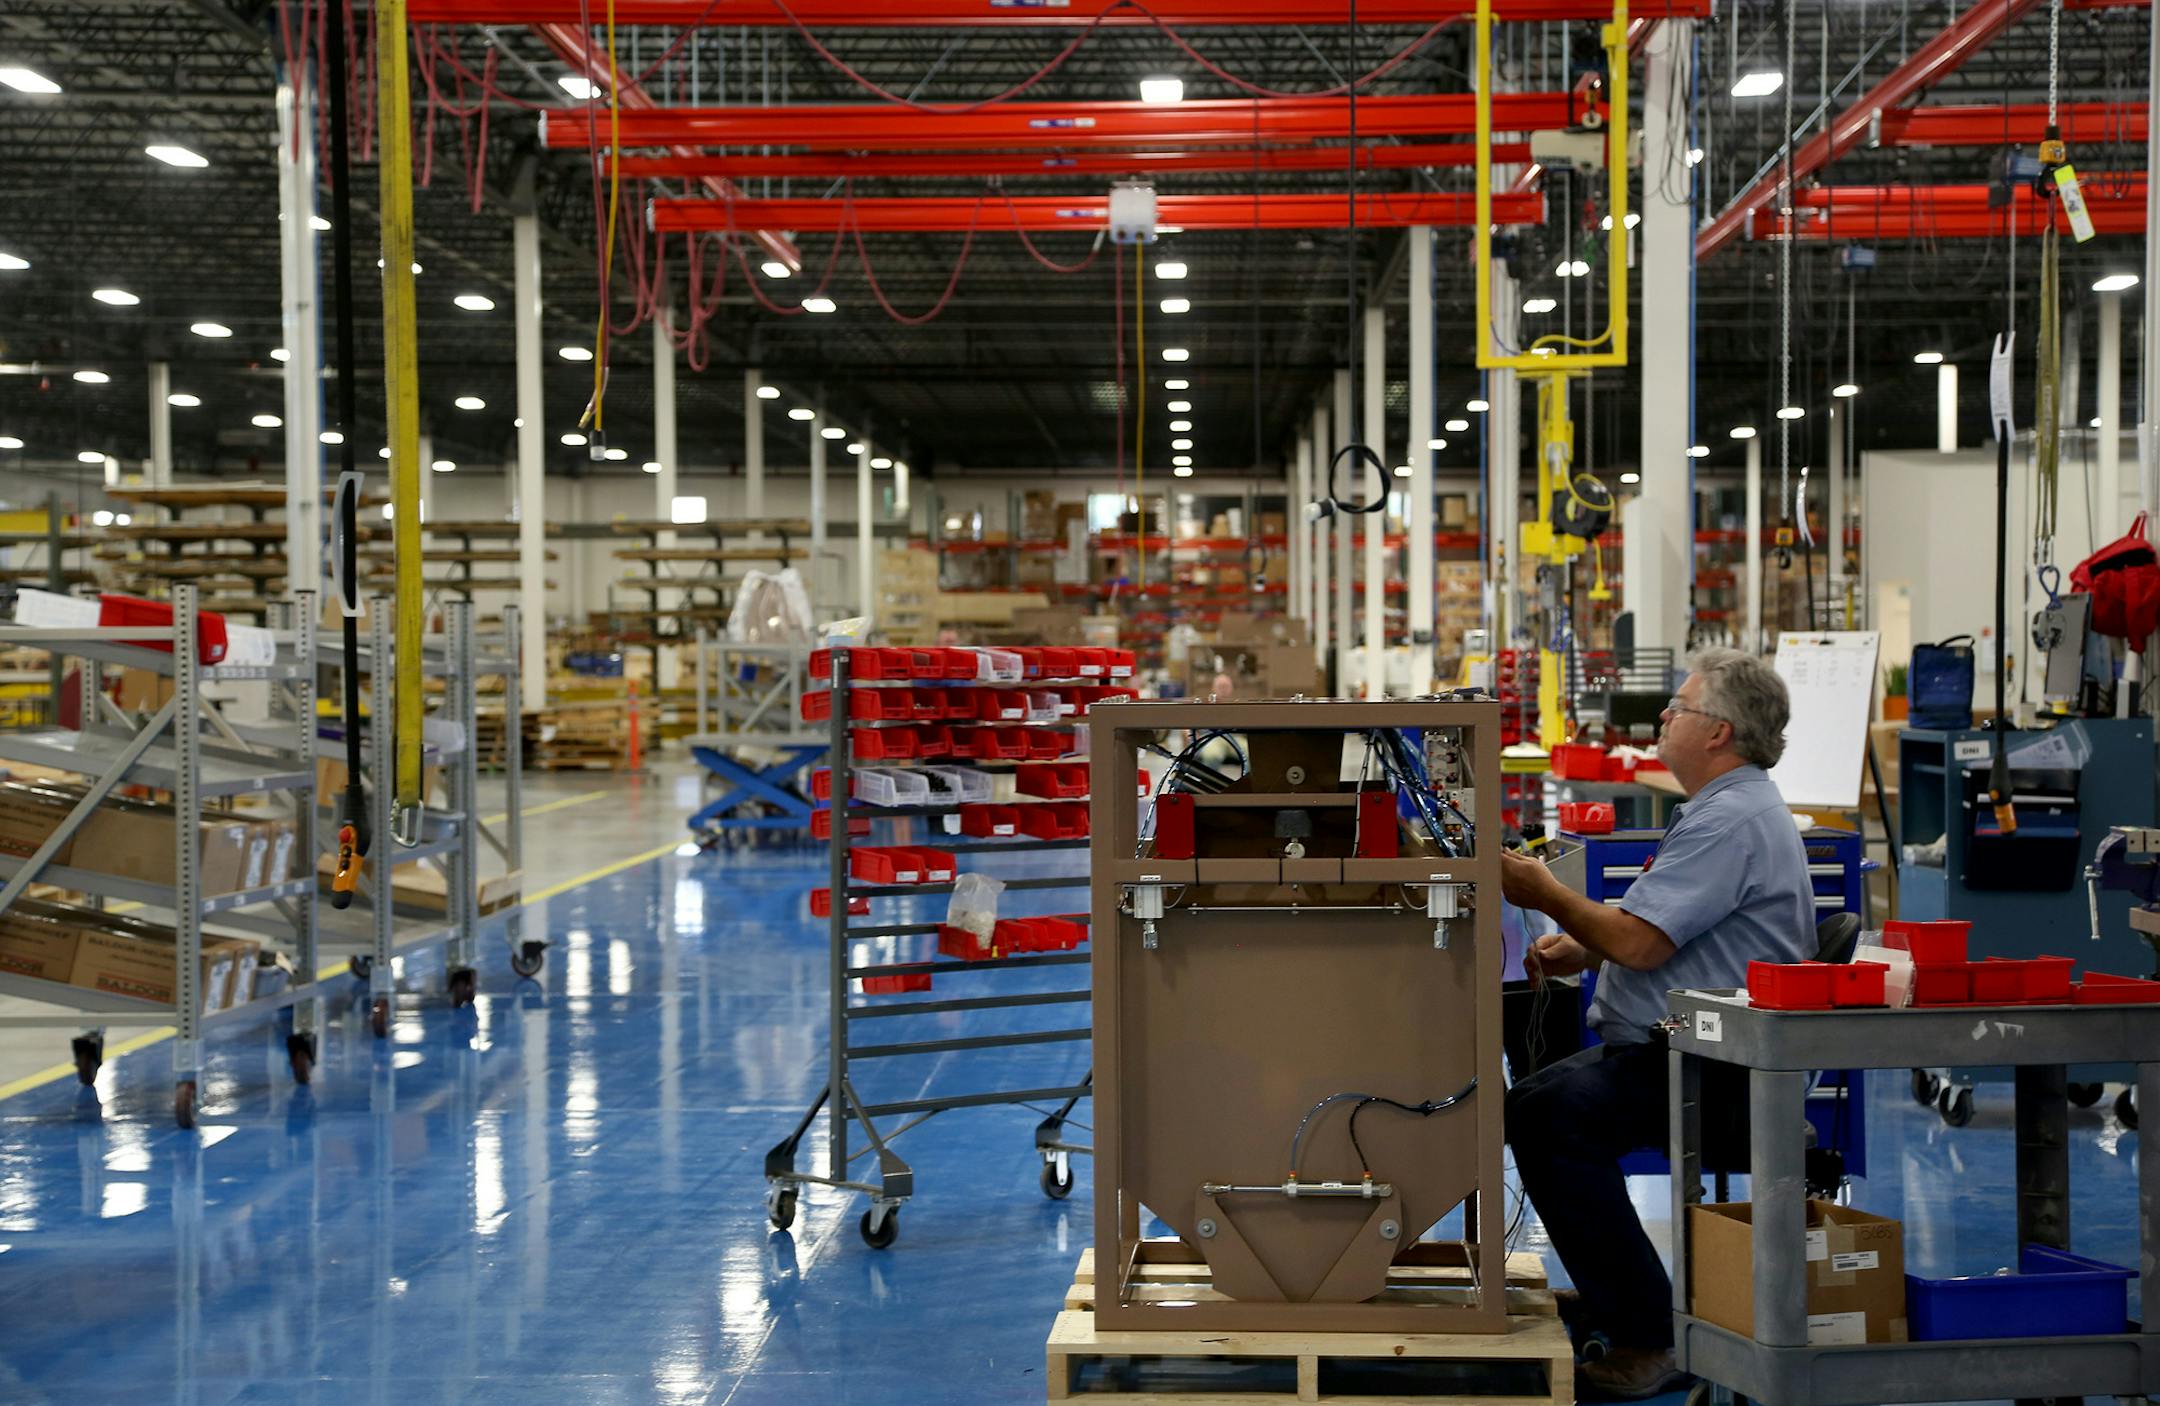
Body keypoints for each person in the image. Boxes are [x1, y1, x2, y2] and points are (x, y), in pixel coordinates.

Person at [1498, 649, 1815, 1401]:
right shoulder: (1725, 809)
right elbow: (1667, 928)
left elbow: (1641, 943)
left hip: (1712, 1060)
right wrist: (1584, 944)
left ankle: (1647, 1333)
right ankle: (1622, 1298)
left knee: (1549, 1119)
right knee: (1539, 1103)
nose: (1663, 719)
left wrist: (1544, 892)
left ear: (1719, 732)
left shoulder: (1729, 819)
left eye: (1678, 708)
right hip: (1687, 1041)